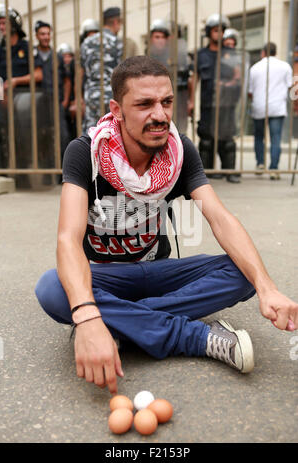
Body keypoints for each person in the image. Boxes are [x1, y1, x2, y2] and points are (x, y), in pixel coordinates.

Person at [35, 56, 298, 395]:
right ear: (117, 109)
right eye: (144, 104)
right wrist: (87, 313)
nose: (159, 115)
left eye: (167, 102)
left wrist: (267, 288)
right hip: (104, 276)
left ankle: (121, 324)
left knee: (246, 270)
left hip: (159, 273)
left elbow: (219, 218)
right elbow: (67, 239)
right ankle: (194, 336)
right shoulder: (86, 151)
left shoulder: (179, 150)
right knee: (52, 287)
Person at [188, 14, 241, 183]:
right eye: (216, 30)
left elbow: (238, 76)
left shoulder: (231, 54)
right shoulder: (201, 54)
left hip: (227, 102)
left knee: (227, 139)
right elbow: (194, 78)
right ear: (209, 32)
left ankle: (229, 171)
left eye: (222, 31)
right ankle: (207, 172)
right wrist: (190, 101)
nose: (219, 34)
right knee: (206, 140)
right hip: (207, 103)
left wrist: (229, 84)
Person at [0, 6, 43, 177]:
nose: (1, 27)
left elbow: (38, 74)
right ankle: (4, 173)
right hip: (4, 101)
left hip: (25, 102)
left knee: (24, 138)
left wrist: (16, 81)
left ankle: (24, 174)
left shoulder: (27, 47)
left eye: (4, 23)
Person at [248, 42, 293, 180]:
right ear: (275, 52)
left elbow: (250, 91)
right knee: (276, 137)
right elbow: (290, 85)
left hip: (260, 106)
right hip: (277, 107)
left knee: (259, 137)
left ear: (263, 52)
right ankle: (274, 168)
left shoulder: (255, 68)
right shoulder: (285, 66)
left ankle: (260, 163)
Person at [34, 20, 71, 169]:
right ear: (36, 35)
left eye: (48, 33)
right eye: (42, 34)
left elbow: (67, 80)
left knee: (63, 137)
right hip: (37, 103)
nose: (46, 37)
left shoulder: (58, 57)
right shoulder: (32, 55)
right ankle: (45, 170)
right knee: (41, 137)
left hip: (57, 101)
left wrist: (66, 101)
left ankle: (62, 171)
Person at [80, 7, 123, 134]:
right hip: (112, 96)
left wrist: (80, 98)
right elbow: (123, 72)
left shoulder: (86, 42)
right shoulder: (117, 42)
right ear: (115, 22)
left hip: (91, 95)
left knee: (91, 133)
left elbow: (80, 72)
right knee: (111, 132)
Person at [149, 19, 190, 134]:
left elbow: (187, 80)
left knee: (179, 135)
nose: (160, 41)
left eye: (163, 38)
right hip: (155, 105)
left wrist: (189, 102)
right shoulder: (146, 58)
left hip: (177, 103)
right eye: (157, 37)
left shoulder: (177, 59)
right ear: (151, 38)